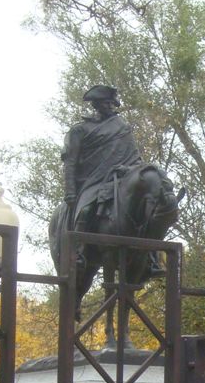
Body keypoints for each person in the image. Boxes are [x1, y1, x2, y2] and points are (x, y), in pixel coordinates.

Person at [59, 85, 143, 265]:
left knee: (146, 205)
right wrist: (70, 191)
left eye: (112, 104)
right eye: (106, 103)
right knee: (86, 210)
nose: (111, 107)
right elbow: (70, 161)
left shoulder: (122, 127)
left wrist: (130, 170)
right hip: (93, 182)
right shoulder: (80, 130)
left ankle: (152, 257)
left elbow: (136, 158)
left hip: (121, 178)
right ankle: (78, 251)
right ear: (96, 105)